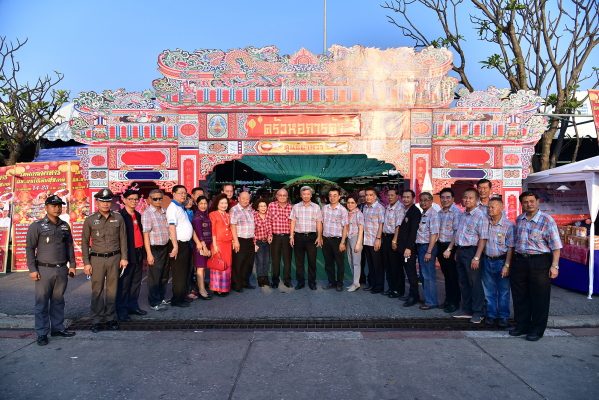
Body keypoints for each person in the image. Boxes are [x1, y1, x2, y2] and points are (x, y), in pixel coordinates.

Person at [510, 191, 562, 341]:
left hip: (540, 262)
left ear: (538, 202)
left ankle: (537, 330)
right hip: (520, 261)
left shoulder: (547, 220)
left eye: (532, 201)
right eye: (525, 202)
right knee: (520, 296)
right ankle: (522, 326)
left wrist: (555, 266)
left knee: (539, 297)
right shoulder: (520, 219)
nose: (529, 204)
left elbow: (556, 246)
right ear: (522, 204)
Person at [26, 195, 77, 345]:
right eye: (54, 206)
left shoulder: (64, 226)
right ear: (46, 207)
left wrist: (72, 265)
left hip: (61, 269)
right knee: (42, 303)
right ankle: (42, 333)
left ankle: (57, 328)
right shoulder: (37, 226)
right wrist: (32, 269)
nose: (57, 208)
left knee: (58, 301)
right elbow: (30, 248)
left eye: (59, 205)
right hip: (44, 270)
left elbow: (69, 246)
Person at [82, 188, 128, 333]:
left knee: (112, 290)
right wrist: (86, 263)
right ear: (97, 202)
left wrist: (124, 257)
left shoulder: (118, 218)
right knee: (97, 290)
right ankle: (96, 320)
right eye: (102, 201)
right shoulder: (90, 220)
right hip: (97, 259)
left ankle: (110, 318)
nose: (105, 204)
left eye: (108, 201)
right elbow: (84, 242)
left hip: (114, 258)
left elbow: (123, 239)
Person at [449, 188, 489, 323]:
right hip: (461, 251)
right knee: (463, 281)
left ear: (477, 200)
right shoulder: (462, 215)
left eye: (470, 198)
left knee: (474, 282)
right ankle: (466, 309)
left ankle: (479, 311)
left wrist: (477, 257)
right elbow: (457, 234)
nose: (467, 200)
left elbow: (483, 238)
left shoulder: (481, 216)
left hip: (472, 252)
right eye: (465, 197)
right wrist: (455, 251)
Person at [483, 197, 515, 329]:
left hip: (501, 261)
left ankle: (503, 317)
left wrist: (507, 265)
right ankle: (491, 315)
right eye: (488, 207)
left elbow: (511, 247)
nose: (490, 209)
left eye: (493, 207)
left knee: (503, 291)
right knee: (488, 291)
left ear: (501, 208)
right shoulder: (485, 223)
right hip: (487, 260)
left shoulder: (509, 225)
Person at [116, 189, 147, 321]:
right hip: (127, 253)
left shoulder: (138, 215)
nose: (134, 201)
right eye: (131, 199)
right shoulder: (120, 216)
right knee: (124, 283)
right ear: (124, 200)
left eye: (136, 199)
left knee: (136, 281)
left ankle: (133, 306)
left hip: (139, 251)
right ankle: (121, 310)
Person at [141, 189, 172, 311]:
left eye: (160, 198)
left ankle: (161, 297)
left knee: (164, 275)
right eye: (155, 199)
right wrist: (149, 254)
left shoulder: (164, 211)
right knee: (155, 276)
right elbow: (146, 235)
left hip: (165, 246)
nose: (158, 201)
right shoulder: (147, 213)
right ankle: (154, 302)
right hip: (155, 248)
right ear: (149, 200)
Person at [289, 186, 323, 290]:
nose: (306, 196)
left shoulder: (316, 207)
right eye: (304, 194)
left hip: (311, 237)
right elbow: (293, 221)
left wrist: (319, 236)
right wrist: (291, 236)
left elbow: (319, 222)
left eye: (308, 194)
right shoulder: (296, 207)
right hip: (298, 237)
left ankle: (312, 282)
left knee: (312, 261)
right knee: (299, 262)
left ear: (311, 195)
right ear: (301, 195)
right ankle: (300, 282)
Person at [166, 185, 193, 307]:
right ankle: (177, 300)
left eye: (185, 193)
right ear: (173, 194)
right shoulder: (172, 208)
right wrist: (175, 246)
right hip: (178, 244)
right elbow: (171, 227)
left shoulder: (180, 207)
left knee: (184, 272)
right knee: (179, 274)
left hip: (185, 244)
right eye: (181, 193)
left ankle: (182, 296)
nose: (183, 195)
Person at [437, 188, 462, 313]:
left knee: (453, 276)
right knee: (446, 275)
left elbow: (456, 232)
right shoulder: (440, 212)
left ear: (453, 199)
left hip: (451, 247)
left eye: (448, 197)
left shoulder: (456, 212)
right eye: (443, 197)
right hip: (441, 246)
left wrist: (449, 248)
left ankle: (454, 302)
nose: (445, 200)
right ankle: (448, 299)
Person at [395, 189, 421, 306]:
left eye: (408, 197)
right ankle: (411, 294)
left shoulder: (415, 211)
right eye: (404, 197)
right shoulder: (404, 210)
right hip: (401, 247)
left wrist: (409, 248)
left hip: (408, 249)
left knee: (411, 273)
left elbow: (413, 231)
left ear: (413, 198)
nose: (405, 199)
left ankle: (413, 296)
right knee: (406, 271)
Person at [415, 192, 440, 310]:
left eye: (426, 200)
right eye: (421, 200)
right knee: (424, 275)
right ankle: (428, 298)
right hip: (421, 247)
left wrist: (429, 251)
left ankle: (431, 302)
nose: (423, 202)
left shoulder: (433, 215)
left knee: (428, 275)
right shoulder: (424, 214)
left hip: (427, 247)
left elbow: (434, 234)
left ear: (431, 201)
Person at [321, 187, 349, 291]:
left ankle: (340, 283)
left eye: (335, 195)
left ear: (339, 197)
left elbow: (345, 227)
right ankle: (331, 282)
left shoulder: (343, 210)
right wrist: (320, 237)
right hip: (326, 239)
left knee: (339, 263)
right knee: (328, 263)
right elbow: (321, 223)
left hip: (338, 240)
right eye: (330, 196)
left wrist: (343, 242)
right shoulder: (324, 208)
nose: (332, 198)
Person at [230, 191, 256, 292]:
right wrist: (235, 241)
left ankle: (245, 282)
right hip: (240, 239)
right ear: (239, 199)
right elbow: (232, 225)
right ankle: (237, 285)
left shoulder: (250, 209)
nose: (245, 200)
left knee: (248, 263)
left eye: (247, 199)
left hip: (250, 239)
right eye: (243, 198)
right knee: (238, 263)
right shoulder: (234, 210)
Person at [267, 188, 293, 288]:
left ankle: (287, 280)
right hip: (275, 237)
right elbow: (269, 221)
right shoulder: (271, 205)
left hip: (287, 237)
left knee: (287, 260)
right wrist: (269, 234)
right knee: (275, 260)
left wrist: (292, 236)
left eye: (284, 195)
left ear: (287, 197)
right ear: (276, 196)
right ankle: (275, 280)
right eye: (280, 195)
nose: (282, 197)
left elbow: (293, 223)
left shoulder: (291, 207)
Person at [361, 187, 385, 293]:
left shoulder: (380, 208)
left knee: (377, 265)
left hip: (375, 240)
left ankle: (379, 286)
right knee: (370, 265)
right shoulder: (365, 207)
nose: (368, 197)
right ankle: (372, 283)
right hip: (366, 241)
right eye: (367, 195)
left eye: (371, 195)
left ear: (375, 196)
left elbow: (381, 224)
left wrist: (378, 239)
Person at [209, 194, 233, 296]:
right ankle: (217, 288)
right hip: (218, 243)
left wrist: (233, 241)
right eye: (221, 203)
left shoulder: (228, 215)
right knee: (218, 264)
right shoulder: (213, 214)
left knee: (227, 264)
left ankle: (224, 288)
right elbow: (213, 231)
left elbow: (231, 228)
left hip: (228, 243)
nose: (224, 205)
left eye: (225, 203)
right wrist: (215, 245)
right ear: (217, 204)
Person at [382, 188, 404, 297]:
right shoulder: (387, 207)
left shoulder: (400, 208)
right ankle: (391, 288)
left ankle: (398, 290)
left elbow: (398, 225)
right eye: (388, 195)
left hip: (394, 238)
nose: (390, 197)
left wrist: (394, 240)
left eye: (392, 195)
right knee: (388, 264)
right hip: (386, 237)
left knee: (396, 265)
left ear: (397, 196)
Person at [191, 196, 212, 300]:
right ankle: (201, 290)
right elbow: (199, 233)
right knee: (200, 268)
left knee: (203, 267)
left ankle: (201, 287)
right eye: (201, 204)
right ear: (197, 204)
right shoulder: (197, 217)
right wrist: (204, 247)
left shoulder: (205, 215)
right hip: (200, 245)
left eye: (205, 203)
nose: (203, 206)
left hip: (207, 244)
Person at [345, 194, 364, 292]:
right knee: (350, 260)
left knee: (356, 262)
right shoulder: (347, 213)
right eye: (348, 202)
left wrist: (358, 243)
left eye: (352, 203)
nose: (350, 204)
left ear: (356, 204)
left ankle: (356, 283)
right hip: (348, 238)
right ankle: (354, 282)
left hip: (356, 238)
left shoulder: (359, 214)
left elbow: (361, 229)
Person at [253, 199, 272, 288]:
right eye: (261, 206)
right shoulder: (254, 216)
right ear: (257, 208)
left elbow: (270, 228)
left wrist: (270, 236)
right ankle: (260, 278)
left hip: (267, 242)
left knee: (267, 261)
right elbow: (252, 231)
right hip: (258, 242)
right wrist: (254, 244)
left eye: (264, 206)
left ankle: (266, 278)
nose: (263, 208)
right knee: (260, 261)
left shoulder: (268, 216)